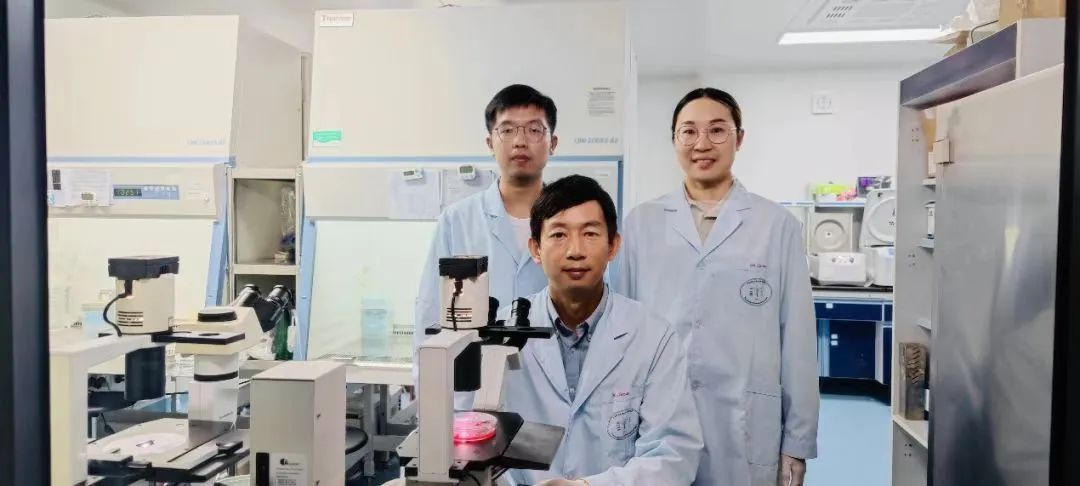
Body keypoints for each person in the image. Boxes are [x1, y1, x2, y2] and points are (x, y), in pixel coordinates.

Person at [614, 88, 819, 486]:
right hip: (657, 418)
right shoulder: (641, 223)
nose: (702, 144)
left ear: (739, 139)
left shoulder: (776, 226)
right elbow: (624, 332)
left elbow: (798, 342)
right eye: (689, 131)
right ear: (674, 140)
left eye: (717, 130)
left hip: (744, 421)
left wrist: (797, 441)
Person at [502, 175, 703, 486]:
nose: (575, 251)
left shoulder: (653, 338)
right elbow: (472, 436)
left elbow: (672, 455)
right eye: (559, 234)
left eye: (590, 233)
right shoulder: (499, 337)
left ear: (613, 246)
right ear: (535, 248)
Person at [414, 84, 557, 361]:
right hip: (476, 375)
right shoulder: (457, 220)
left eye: (534, 129)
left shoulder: (570, 220)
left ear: (552, 143)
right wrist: (429, 380)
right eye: (507, 130)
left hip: (553, 378)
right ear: (490, 143)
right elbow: (429, 311)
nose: (520, 141)